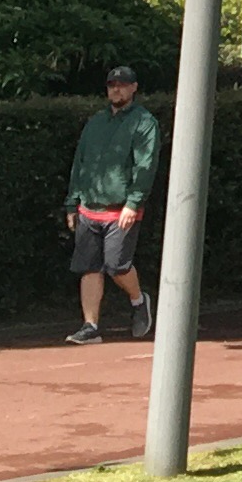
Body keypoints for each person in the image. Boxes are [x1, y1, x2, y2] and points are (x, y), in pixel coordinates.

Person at [64, 61, 159, 342]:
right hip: (88, 208)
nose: (116, 89)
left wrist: (133, 203)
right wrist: (73, 203)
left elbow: (146, 165)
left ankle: (139, 300)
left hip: (122, 210)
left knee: (117, 265)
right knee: (89, 267)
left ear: (134, 88)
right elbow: (80, 164)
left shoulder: (144, 123)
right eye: (112, 85)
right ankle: (90, 327)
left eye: (122, 84)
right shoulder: (95, 122)